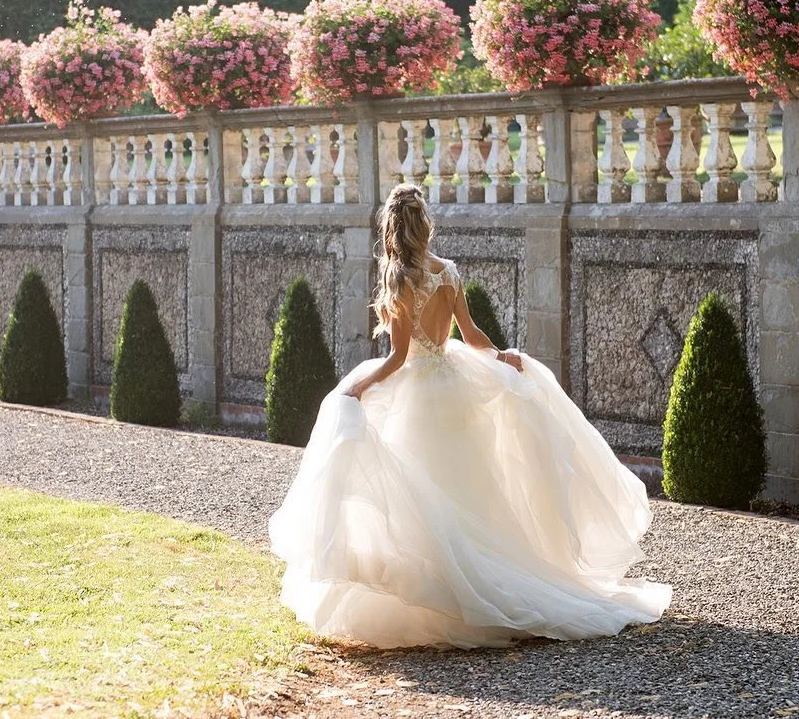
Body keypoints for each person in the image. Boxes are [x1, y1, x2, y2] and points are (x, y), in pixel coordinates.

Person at [268, 182, 672, 649]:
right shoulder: (449, 272)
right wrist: (502, 357)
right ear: (425, 225)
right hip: (454, 383)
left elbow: (398, 358)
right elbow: (473, 334)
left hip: (418, 392)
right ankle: (485, 575)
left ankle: (449, 588)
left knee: (420, 491)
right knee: (467, 488)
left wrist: (358, 386)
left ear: (391, 229)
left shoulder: (401, 279)